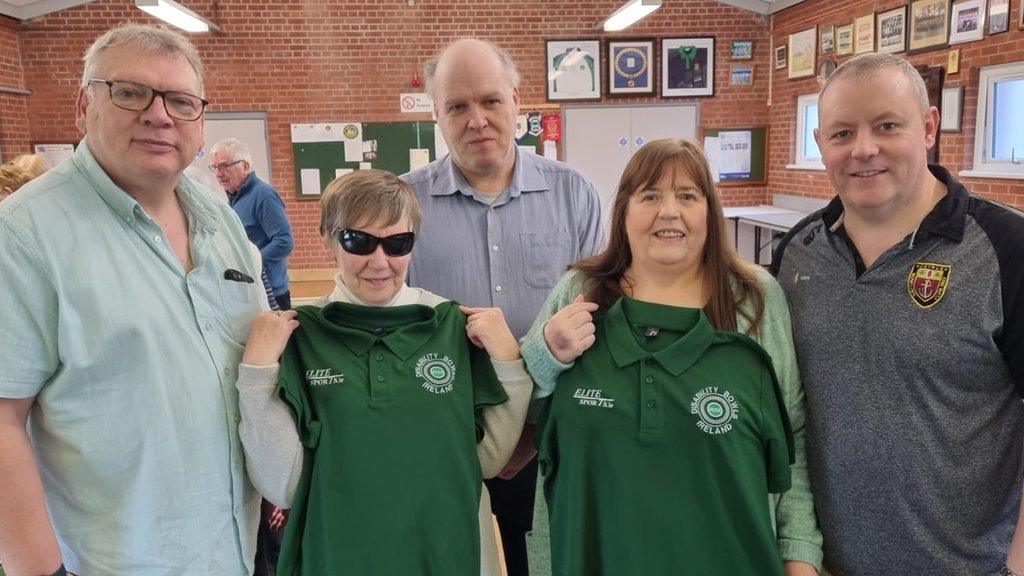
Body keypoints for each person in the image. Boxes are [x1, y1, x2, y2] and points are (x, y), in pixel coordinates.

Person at [0, 23, 266, 576]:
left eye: (180, 101)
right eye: (129, 92)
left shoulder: (219, 220)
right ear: (84, 105)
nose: (159, 114)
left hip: (235, 548)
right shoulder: (24, 236)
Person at [771, 53, 1024, 575]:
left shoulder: (1006, 249)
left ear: (928, 127)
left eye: (887, 126)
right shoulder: (798, 251)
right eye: (842, 134)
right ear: (821, 146)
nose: (864, 149)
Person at [521, 138, 823, 575]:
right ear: (624, 210)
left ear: (709, 211)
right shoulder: (580, 291)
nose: (669, 211)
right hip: (596, 553)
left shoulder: (754, 300)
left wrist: (799, 553)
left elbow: (791, 436)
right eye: (649, 195)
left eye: (687, 196)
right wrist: (546, 353)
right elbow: (523, 413)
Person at [235, 169, 534, 575]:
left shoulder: (453, 328)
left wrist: (510, 365)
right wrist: (257, 376)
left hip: (444, 552)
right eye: (358, 241)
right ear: (329, 241)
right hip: (339, 554)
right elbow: (283, 485)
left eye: (397, 243)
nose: (379, 262)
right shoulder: (297, 336)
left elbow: (483, 461)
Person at [401, 38, 604, 575]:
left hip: (552, 434)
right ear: (436, 113)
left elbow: (600, 320)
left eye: (491, 101)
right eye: (457, 106)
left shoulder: (574, 195)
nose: (477, 120)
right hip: (445, 439)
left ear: (517, 100)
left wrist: (529, 431)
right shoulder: (402, 205)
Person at [211, 137, 295, 309]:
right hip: (249, 290)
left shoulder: (264, 195)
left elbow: (284, 242)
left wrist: (250, 263)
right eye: (215, 167)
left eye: (224, 166)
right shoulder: (234, 197)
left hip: (271, 293)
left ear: (245, 166)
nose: (219, 173)